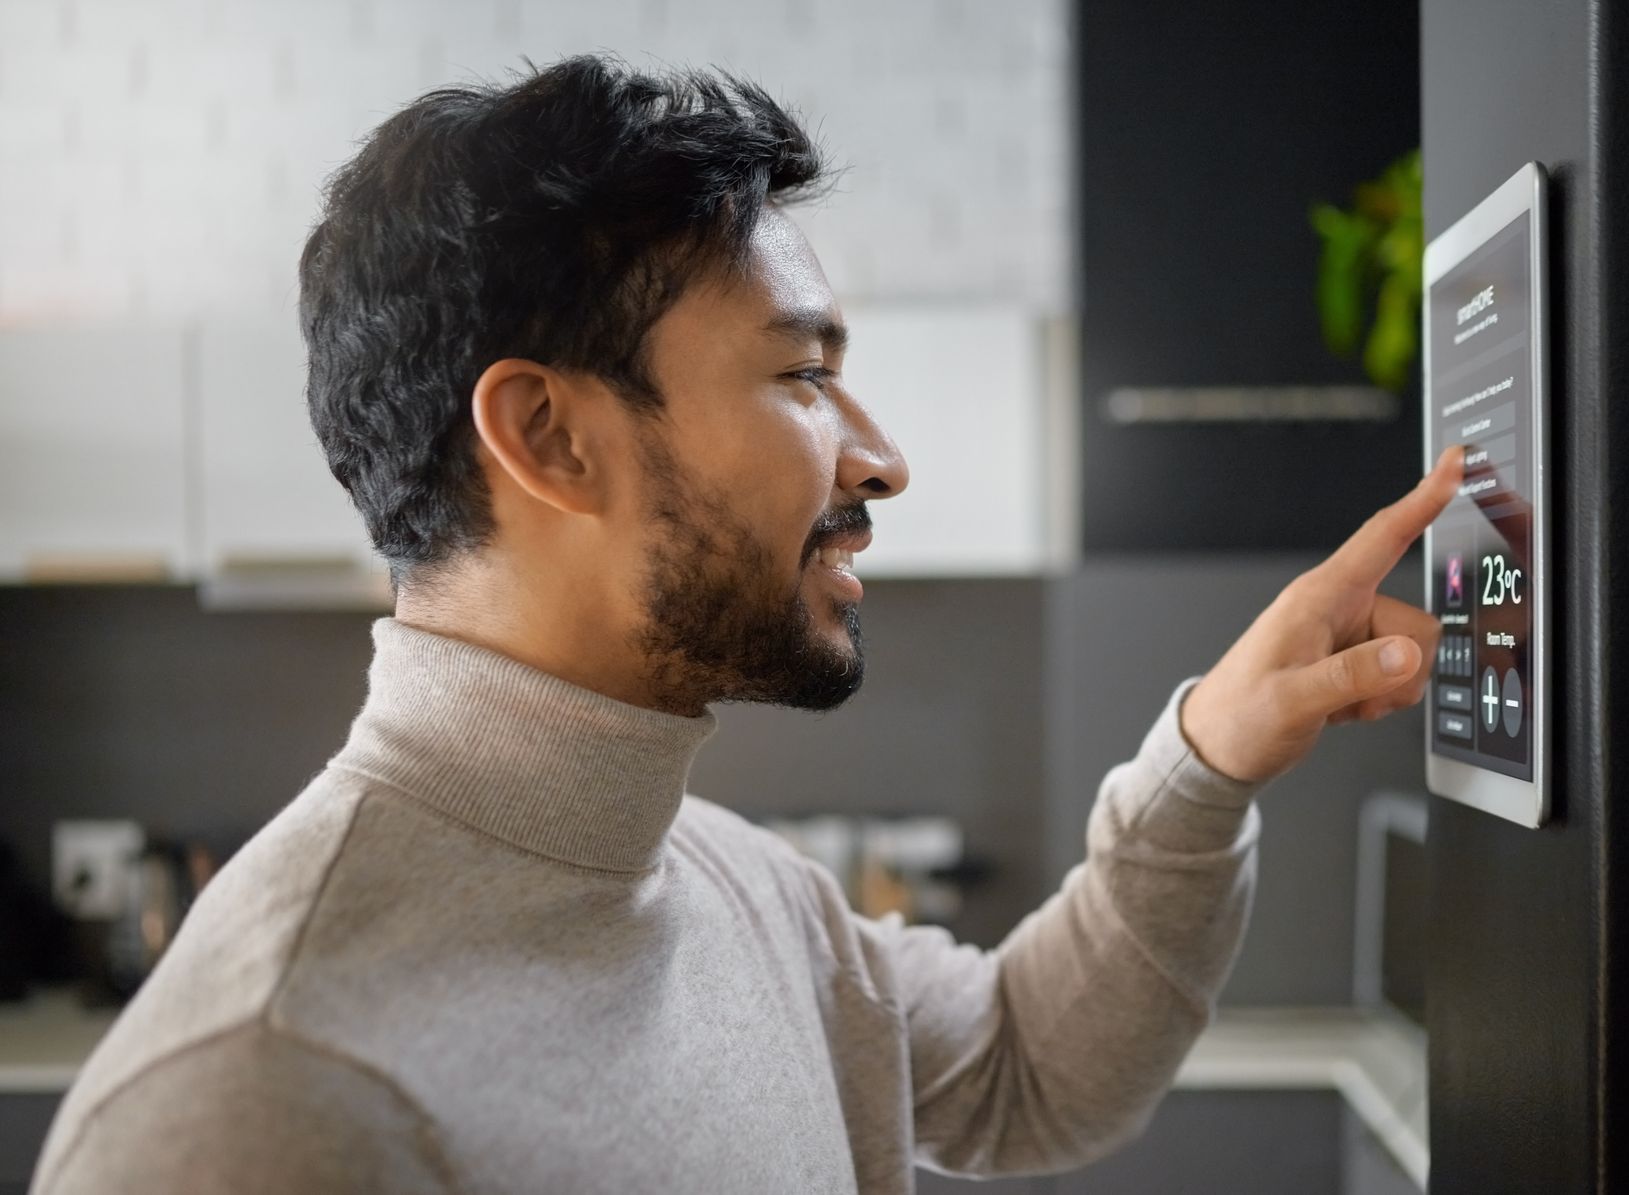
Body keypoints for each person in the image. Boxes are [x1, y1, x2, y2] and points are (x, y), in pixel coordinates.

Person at [29, 56, 1461, 1195]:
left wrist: (1206, 759)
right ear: (549, 435)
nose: (880, 455)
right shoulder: (262, 1100)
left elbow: (1032, 1069)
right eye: (800, 375)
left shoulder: (728, 882)